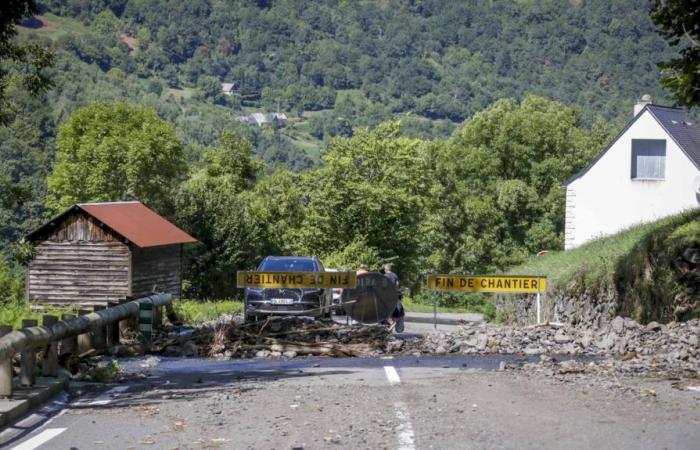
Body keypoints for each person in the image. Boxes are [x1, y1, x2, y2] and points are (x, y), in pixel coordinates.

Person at [383, 263, 405, 332]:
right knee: (397, 312)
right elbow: (397, 284)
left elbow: (383, 286)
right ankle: (391, 327)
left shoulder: (384, 276)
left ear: (385, 269)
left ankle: (389, 327)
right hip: (394, 296)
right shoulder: (395, 275)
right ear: (390, 269)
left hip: (386, 297)